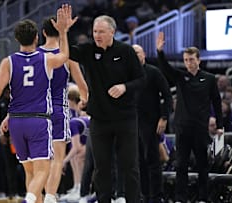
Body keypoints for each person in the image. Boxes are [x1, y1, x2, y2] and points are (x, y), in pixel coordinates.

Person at [0, 4, 75, 203]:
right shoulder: (46, 59)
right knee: (43, 170)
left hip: (16, 122)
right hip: (38, 121)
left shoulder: (8, 62)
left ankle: (33, 199)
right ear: (36, 38)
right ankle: (29, 200)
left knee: (30, 172)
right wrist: (63, 32)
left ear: (16, 39)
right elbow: (65, 56)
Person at [69, 15, 145, 203]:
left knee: (130, 166)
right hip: (99, 119)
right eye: (95, 31)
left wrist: (124, 87)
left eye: (101, 31)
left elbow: (141, 79)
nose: (97, 35)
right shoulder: (88, 51)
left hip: (125, 118)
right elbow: (66, 53)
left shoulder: (126, 51)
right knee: (101, 167)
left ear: (112, 31)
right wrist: (63, 32)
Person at [156, 32, 223, 203]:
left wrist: (220, 125)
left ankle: (203, 198)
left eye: (191, 59)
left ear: (199, 60)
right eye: (186, 60)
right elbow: (165, 68)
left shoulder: (209, 79)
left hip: (200, 128)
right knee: (181, 166)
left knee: (203, 166)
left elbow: (216, 101)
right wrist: (160, 52)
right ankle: (180, 199)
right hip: (183, 128)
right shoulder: (180, 77)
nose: (188, 63)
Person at [37, 16, 88, 203]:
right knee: (58, 158)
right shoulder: (68, 56)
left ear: (43, 33)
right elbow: (82, 87)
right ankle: (50, 196)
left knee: (41, 159)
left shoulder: (33, 55)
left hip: (36, 112)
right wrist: (84, 101)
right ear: (61, 31)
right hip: (58, 110)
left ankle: (42, 195)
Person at [132, 44, 172, 203]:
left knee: (152, 159)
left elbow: (167, 95)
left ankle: (157, 196)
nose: (135, 55)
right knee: (138, 160)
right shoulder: (127, 74)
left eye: (137, 52)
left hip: (151, 122)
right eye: (132, 52)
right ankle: (144, 195)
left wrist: (164, 117)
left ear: (144, 54)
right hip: (132, 122)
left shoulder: (154, 72)